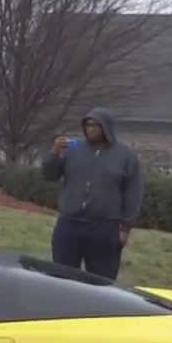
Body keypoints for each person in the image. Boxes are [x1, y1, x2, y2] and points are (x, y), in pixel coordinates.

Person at [41, 107, 144, 280]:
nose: (91, 129)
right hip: (69, 224)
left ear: (107, 128)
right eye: (88, 125)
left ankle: (96, 308)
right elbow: (49, 176)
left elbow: (133, 193)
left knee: (101, 281)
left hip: (104, 228)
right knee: (61, 277)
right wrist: (54, 153)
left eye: (96, 125)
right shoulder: (72, 150)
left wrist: (126, 227)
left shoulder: (126, 156)